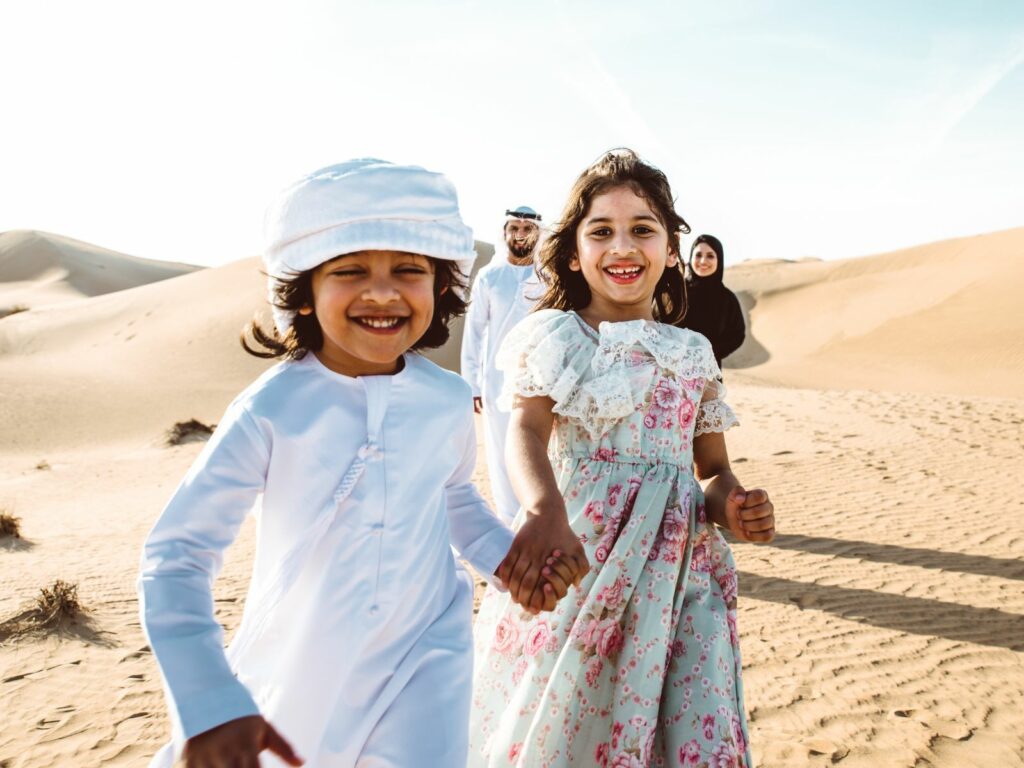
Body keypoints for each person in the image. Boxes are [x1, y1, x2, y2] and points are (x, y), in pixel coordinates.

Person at [138, 160, 583, 768]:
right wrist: (206, 699)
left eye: (409, 269)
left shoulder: (448, 398)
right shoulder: (273, 407)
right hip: (306, 662)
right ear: (303, 289)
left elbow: (453, 499)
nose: (382, 291)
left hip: (427, 654)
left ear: (442, 286)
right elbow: (176, 556)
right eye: (350, 271)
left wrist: (511, 566)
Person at [468, 149, 776, 767]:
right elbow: (525, 430)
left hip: (680, 578)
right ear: (574, 251)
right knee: (570, 717)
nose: (622, 246)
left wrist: (733, 506)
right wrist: (542, 509)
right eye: (601, 231)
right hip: (580, 559)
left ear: (670, 249)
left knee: (688, 727)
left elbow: (710, 468)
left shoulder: (693, 352)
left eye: (643, 230)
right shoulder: (555, 335)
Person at [461, 205, 545, 524]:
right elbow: (474, 334)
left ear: (538, 233)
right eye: (515, 228)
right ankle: (511, 528)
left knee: (538, 454)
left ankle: (536, 521)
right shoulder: (489, 277)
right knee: (500, 456)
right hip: (495, 386)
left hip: (539, 384)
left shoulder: (547, 278)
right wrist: (472, 384)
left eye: (527, 228)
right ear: (505, 232)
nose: (521, 234)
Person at [679, 234, 746, 368]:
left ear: (719, 260)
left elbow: (737, 335)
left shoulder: (727, 299)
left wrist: (709, 352)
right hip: (672, 372)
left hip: (709, 373)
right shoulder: (677, 292)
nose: (703, 261)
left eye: (710, 256)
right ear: (690, 257)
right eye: (698, 255)